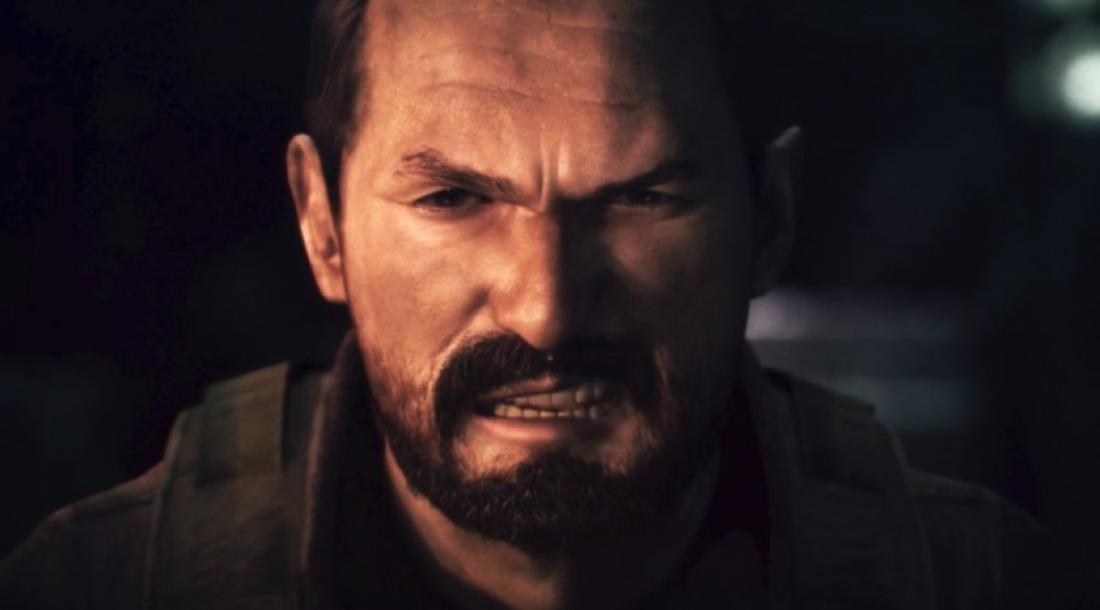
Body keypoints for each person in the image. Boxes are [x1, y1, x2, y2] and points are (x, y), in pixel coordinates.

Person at [2, 0, 1095, 608]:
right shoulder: (98, 587)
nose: (547, 313)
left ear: (768, 219)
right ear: (320, 225)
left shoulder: (984, 585)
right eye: (453, 199)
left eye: (642, 197)